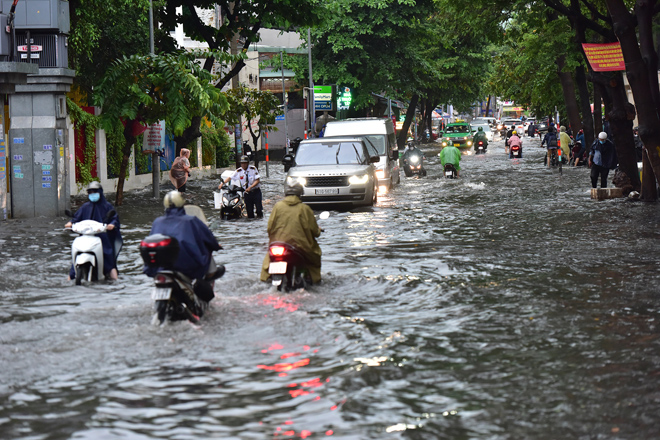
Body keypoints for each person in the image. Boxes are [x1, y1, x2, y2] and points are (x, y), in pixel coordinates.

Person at [144, 191, 223, 300]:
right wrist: (215, 246)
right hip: (187, 266)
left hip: (160, 267)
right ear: (181, 203)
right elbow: (208, 237)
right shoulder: (191, 220)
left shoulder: (157, 222)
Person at [260, 183, 322, 284]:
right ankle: (313, 280)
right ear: (300, 194)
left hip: (278, 245)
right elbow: (315, 231)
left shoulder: (277, 207)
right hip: (300, 247)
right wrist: (318, 230)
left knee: (268, 260)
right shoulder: (305, 209)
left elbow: (270, 227)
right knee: (314, 258)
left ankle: (267, 278)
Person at [65, 181, 122, 280]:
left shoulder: (107, 206)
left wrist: (112, 224)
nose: (92, 194)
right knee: (75, 257)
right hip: (85, 236)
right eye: (90, 192)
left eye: (95, 192)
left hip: (102, 236)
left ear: (100, 192)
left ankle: (115, 280)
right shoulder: (85, 207)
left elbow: (114, 218)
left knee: (108, 257)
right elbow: (76, 218)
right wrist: (70, 223)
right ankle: (69, 278)